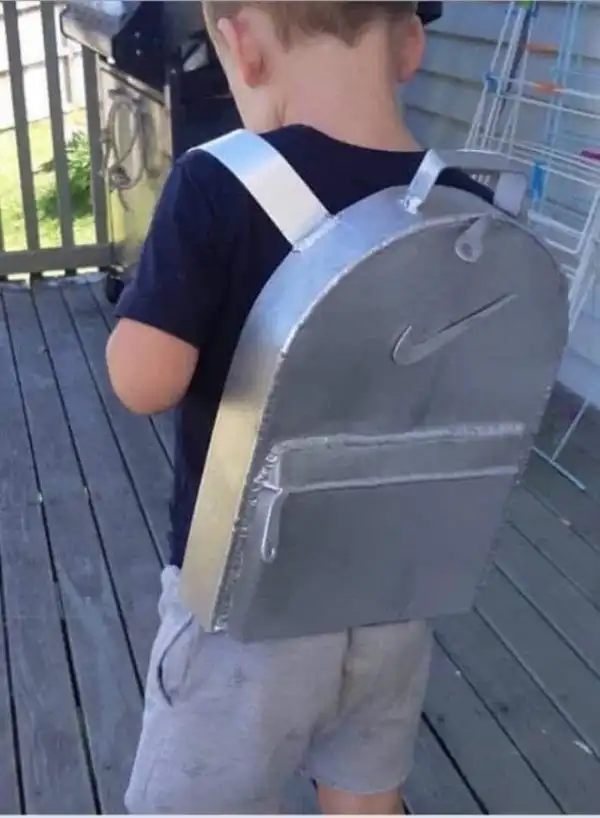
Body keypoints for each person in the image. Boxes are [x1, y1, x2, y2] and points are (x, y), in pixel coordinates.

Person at [106, 2, 491, 813]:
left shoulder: (216, 184)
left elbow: (145, 383)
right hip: (391, 596)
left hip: (247, 611)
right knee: (364, 793)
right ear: (411, 46)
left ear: (242, 47)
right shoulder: (463, 205)